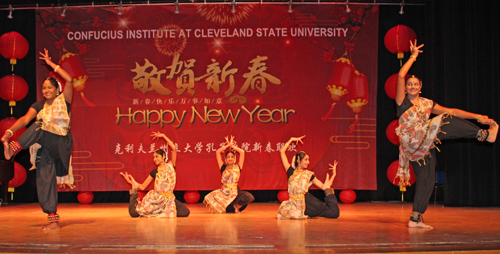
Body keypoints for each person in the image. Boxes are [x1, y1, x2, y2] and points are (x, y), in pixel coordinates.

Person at [395, 40, 498, 229]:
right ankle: (484, 136)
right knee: (442, 121)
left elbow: (453, 111)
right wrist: (413, 56)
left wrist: (478, 117)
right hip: (412, 139)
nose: (411, 86)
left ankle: (415, 218)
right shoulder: (402, 102)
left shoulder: (427, 103)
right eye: (409, 84)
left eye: (415, 84)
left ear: (421, 87)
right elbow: (401, 75)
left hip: (423, 143)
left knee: (428, 179)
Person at [1, 49, 73, 230]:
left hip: (61, 143)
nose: (46, 90)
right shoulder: (39, 106)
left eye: (50, 87)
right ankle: (53, 220)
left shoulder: (64, 101)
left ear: (58, 90)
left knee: (40, 125)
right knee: (44, 179)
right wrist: (9, 131)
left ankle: (14, 149)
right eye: (44, 88)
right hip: (45, 146)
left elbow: (70, 80)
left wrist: (52, 65)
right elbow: (25, 120)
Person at [120, 131, 190, 218]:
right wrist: (132, 182)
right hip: (156, 199)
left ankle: (159, 211)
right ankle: (135, 197)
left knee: (185, 212)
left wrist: (163, 136)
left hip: (169, 199)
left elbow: (174, 148)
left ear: (163, 156)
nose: (155, 159)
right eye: (153, 157)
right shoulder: (154, 172)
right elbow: (142, 187)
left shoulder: (171, 166)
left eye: (157, 156)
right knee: (134, 214)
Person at [277, 136, 340, 219]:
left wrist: (333, 175)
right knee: (284, 212)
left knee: (334, 213)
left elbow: (323, 187)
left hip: (308, 203)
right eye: (306, 160)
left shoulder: (309, 174)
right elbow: (282, 152)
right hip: (293, 204)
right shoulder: (290, 171)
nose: (308, 162)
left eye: (308, 160)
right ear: (299, 160)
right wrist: (291, 139)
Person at [204, 136, 254, 213]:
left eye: (232, 157)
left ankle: (235, 207)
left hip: (235, 192)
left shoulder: (238, 167)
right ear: (226, 159)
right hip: (225, 193)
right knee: (227, 209)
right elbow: (218, 152)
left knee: (249, 197)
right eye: (228, 157)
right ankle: (230, 208)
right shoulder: (223, 167)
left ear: (235, 159)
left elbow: (242, 152)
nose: (230, 159)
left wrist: (232, 146)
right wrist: (227, 145)